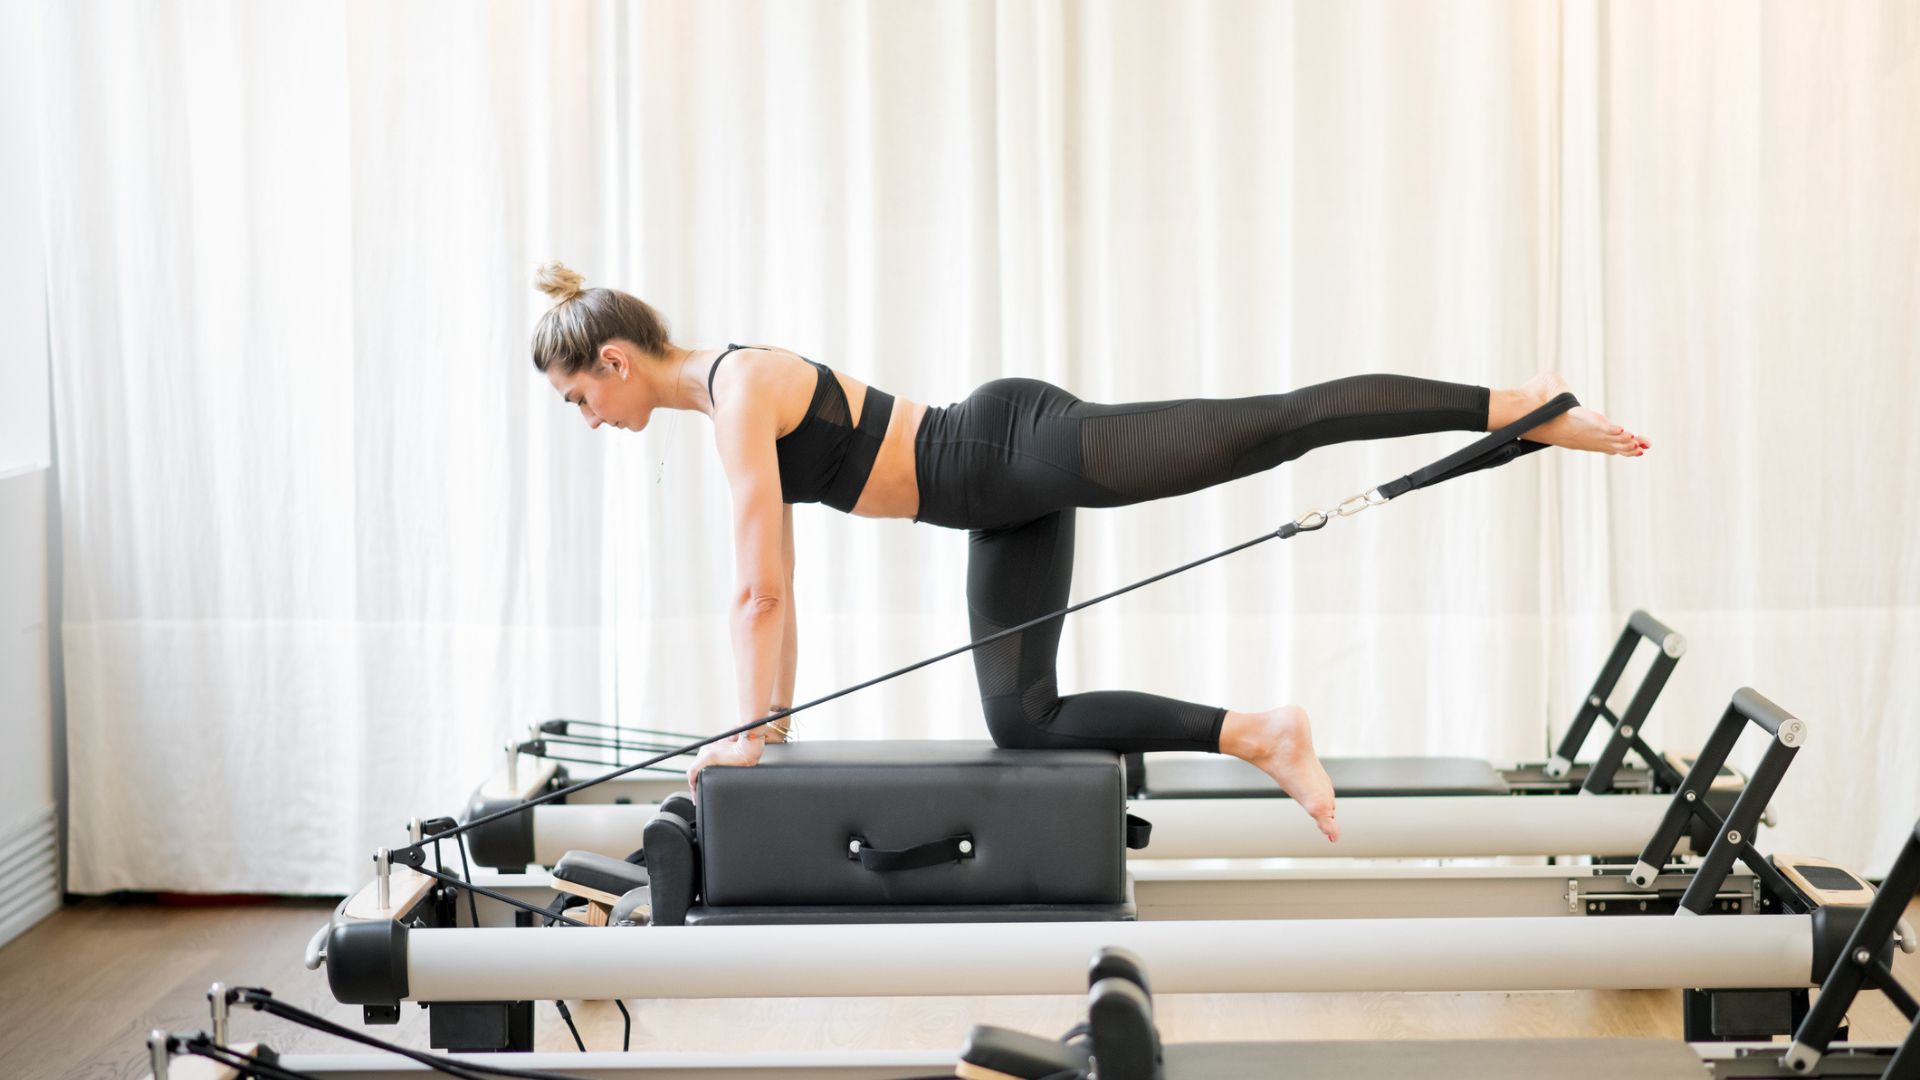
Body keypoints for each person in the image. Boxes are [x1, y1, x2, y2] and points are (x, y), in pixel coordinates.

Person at [529, 263, 1649, 843]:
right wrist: (762, 736)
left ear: (618, 361)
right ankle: (1258, 733)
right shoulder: (725, 391)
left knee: (1274, 423)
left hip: (1018, 447)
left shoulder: (734, 394)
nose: (587, 420)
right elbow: (763, 593)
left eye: (581, 396)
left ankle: (1521, 405)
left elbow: (758, 593)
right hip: (991, 501)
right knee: (1027, 723)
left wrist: (755, 740)